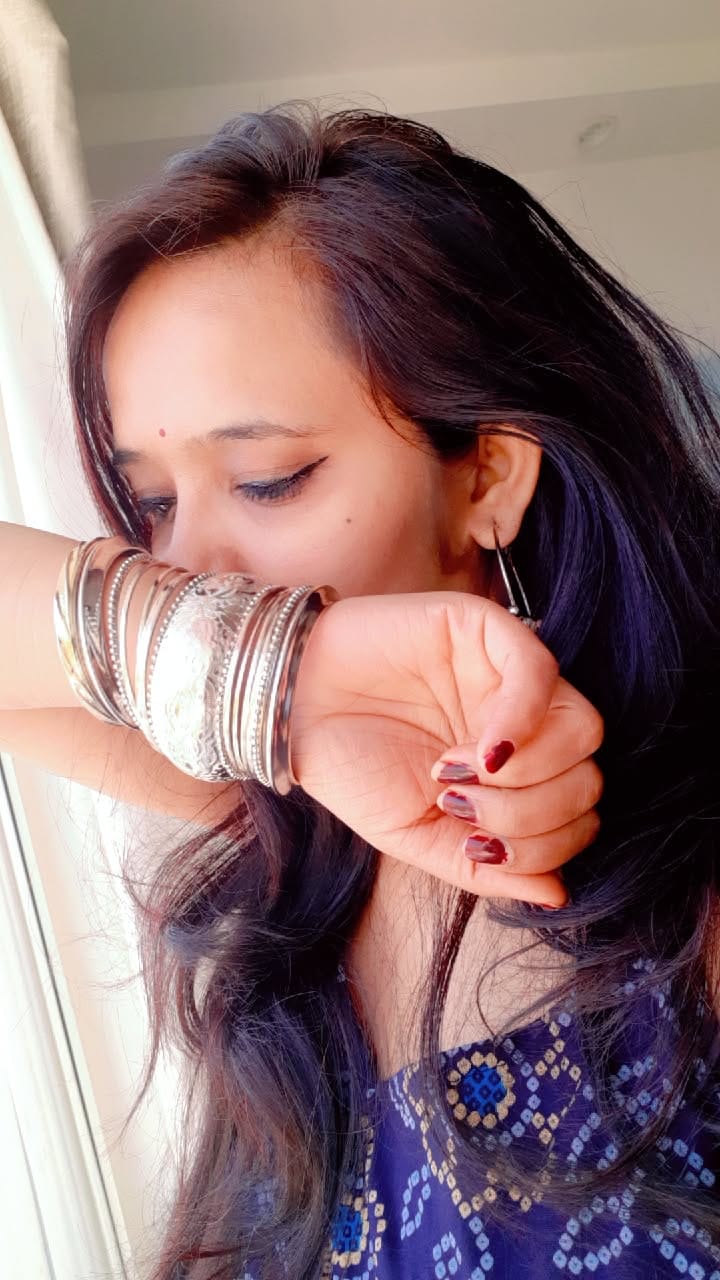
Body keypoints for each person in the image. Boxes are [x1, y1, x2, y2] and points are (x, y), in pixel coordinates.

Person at [1, 102, 719, 1278]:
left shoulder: (690, 873)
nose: (188, 568)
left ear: (485, 475)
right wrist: (277, 669)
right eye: (156, 503)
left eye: (268, 478)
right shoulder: (282, 817)